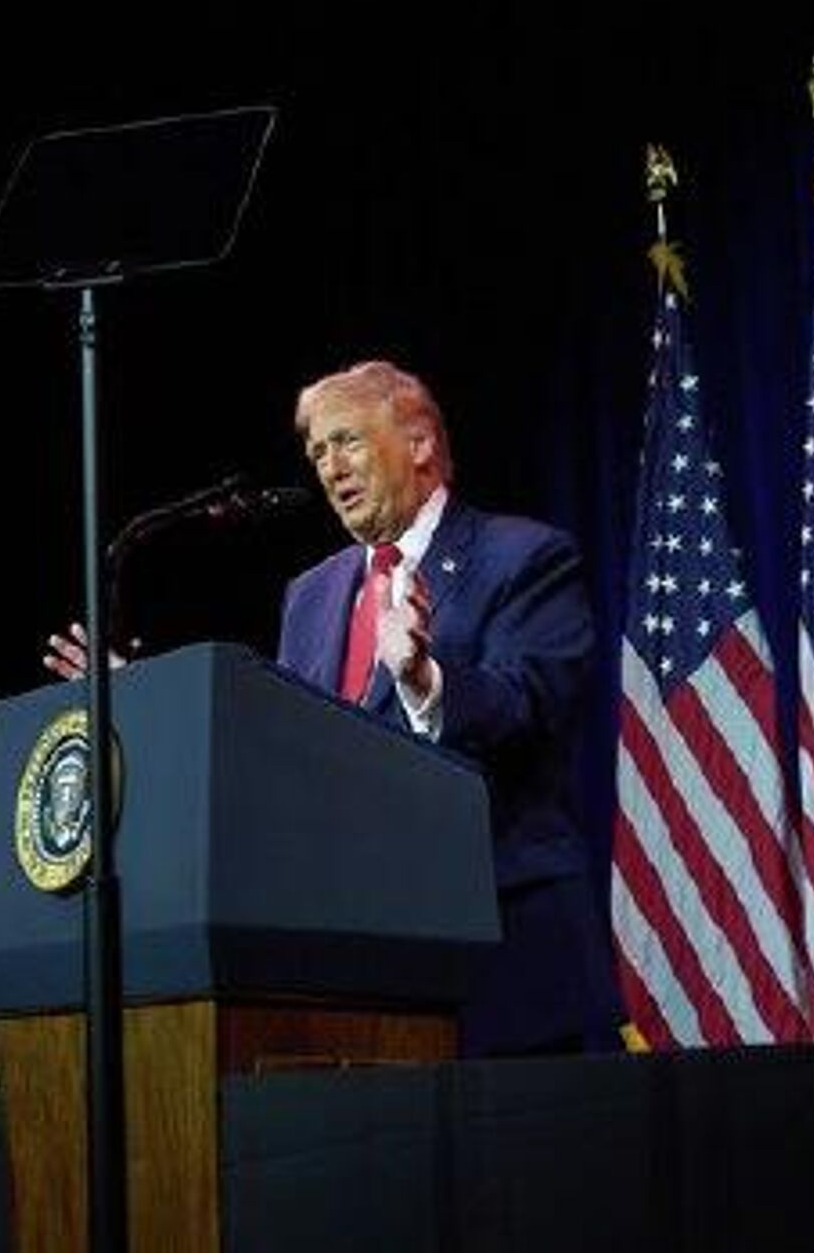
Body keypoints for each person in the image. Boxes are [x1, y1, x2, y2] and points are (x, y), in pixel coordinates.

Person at [46, 357, 618, 1058]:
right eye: (317, 452)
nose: (329, 467)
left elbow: (529, 706)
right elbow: (286, 749)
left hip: (501, 955)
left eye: (346, 440)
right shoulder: (312, 593)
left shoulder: (523, 555)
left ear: (419, 443)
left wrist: (424, 679)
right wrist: (148, 702)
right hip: (353, 967)